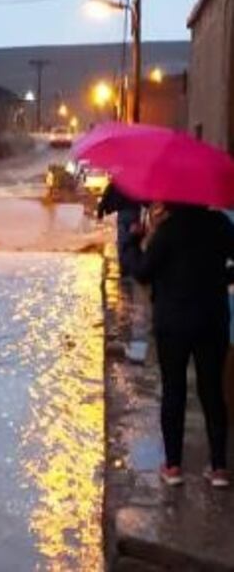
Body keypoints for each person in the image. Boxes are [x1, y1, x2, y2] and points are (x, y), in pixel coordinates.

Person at [124, 204, 234, 489]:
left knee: (174, 390)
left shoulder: (168, 231)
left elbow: (142, 273)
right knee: (212, 391)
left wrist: (133, 241)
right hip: (212, 320)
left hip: (173, 324)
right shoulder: (220, 224)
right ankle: (219, 467)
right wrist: (222, 278)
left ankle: (173, 466)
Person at [97, 182, 142, 277]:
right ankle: (131, 267)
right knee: (132, 241)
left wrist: (100, 213)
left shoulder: (118, 181)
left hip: (123, 214)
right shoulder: (137, 182)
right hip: (134, 214)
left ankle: (124, 268)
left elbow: (106, 196)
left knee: (123, 241)